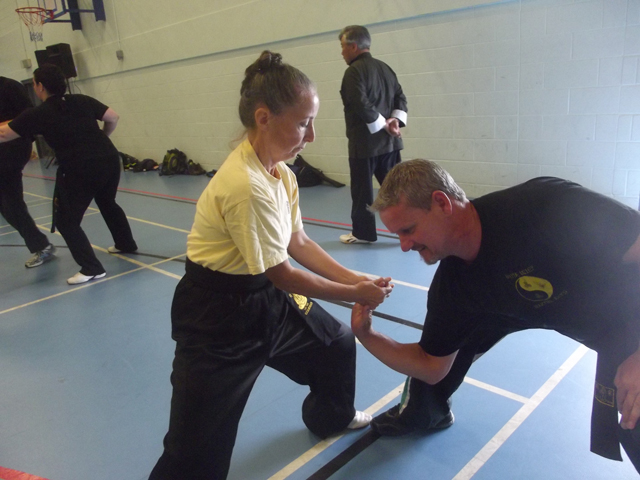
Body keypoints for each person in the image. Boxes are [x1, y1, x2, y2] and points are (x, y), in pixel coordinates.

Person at [148, 51, 393, 480]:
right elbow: (285, 273)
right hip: (217, 317)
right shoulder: (245, 186)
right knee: (194, 450)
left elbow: (298, 242)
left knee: (334, 345)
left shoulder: (282, 174)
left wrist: (359, 277)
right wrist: (356, 294)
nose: (312, 135)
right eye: (303, 123)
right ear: (264, 117)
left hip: (267, 299)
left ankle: (330, 416)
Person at [351, 159, 640, 472]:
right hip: (508, 308)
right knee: (443, 347)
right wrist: (367, 334)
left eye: (408, 230)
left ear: (441, 203)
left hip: (621, 314)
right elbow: (430, 366)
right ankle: (425, 414)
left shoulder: (545, 207)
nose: (404, 246)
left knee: (633, 416)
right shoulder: (454, 289)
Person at [0, 64, 138, 285]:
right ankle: (125, 243)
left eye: (34, 83)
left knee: (66, 220)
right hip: (109, 159)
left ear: (40, 87)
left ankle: (91, 268)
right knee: (107, 201)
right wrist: (103, 137)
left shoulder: (38, 113)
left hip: (80, 168)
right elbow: (113, 117)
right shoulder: (82, 100)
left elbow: (4, 135)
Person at [338, 25, 408, 245]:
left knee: (362, 193)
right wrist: (394, 121)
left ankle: (363, 233)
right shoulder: (385, 68)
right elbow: (401, 98)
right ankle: (409, 228)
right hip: (389, 144)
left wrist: (384, 125)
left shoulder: (353, 72)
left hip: (364, 145)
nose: (341, 52)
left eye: (342, 47)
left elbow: (359, 102)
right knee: (395, 191)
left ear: (353, 46)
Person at [0, 76, 55, 268]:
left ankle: (41, 246)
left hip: (11, 149)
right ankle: (40, 244)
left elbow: (29, 115)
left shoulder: (9, 87)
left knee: (11, 201)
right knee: (7, 205)